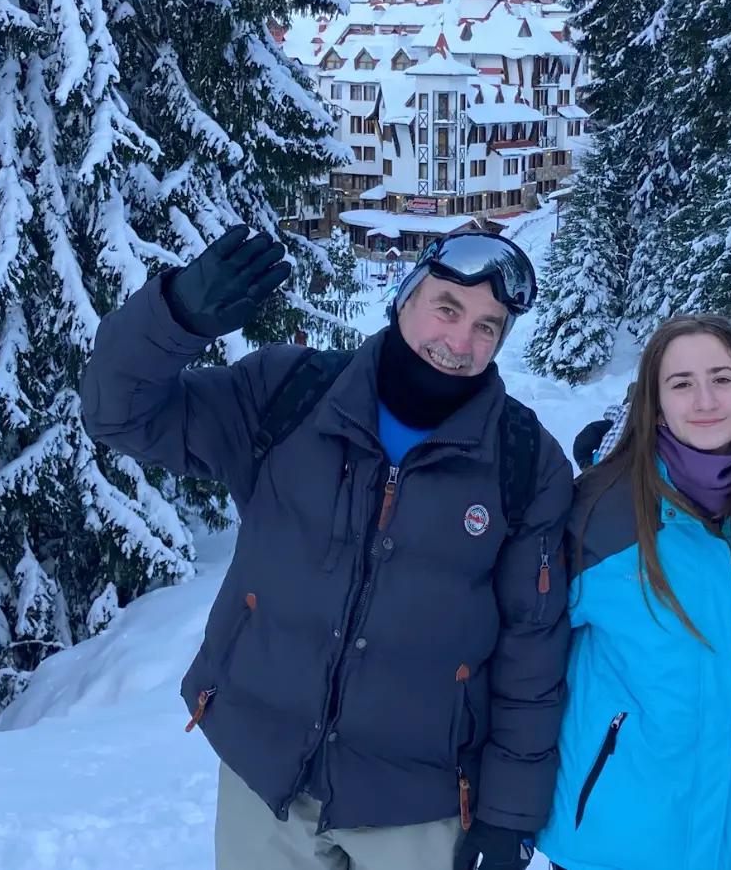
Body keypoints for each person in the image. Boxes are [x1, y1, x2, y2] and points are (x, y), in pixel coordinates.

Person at [81, 226, 574, 870]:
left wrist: (509, 817)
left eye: (488, 327)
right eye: (447, 309)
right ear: (405, 298)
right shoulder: (289, 394)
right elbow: (119, 414)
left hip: (419, 805)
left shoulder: (525, 462)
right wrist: (175, 316)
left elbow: (531, 654)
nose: (460, 343)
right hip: (265, 776)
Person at [537, 316, 731, 870]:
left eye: (722, 378)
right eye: (681, 383)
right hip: (609, 845)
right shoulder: (597, 511)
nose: (705, 400)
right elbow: (524, 660)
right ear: (655, 405)